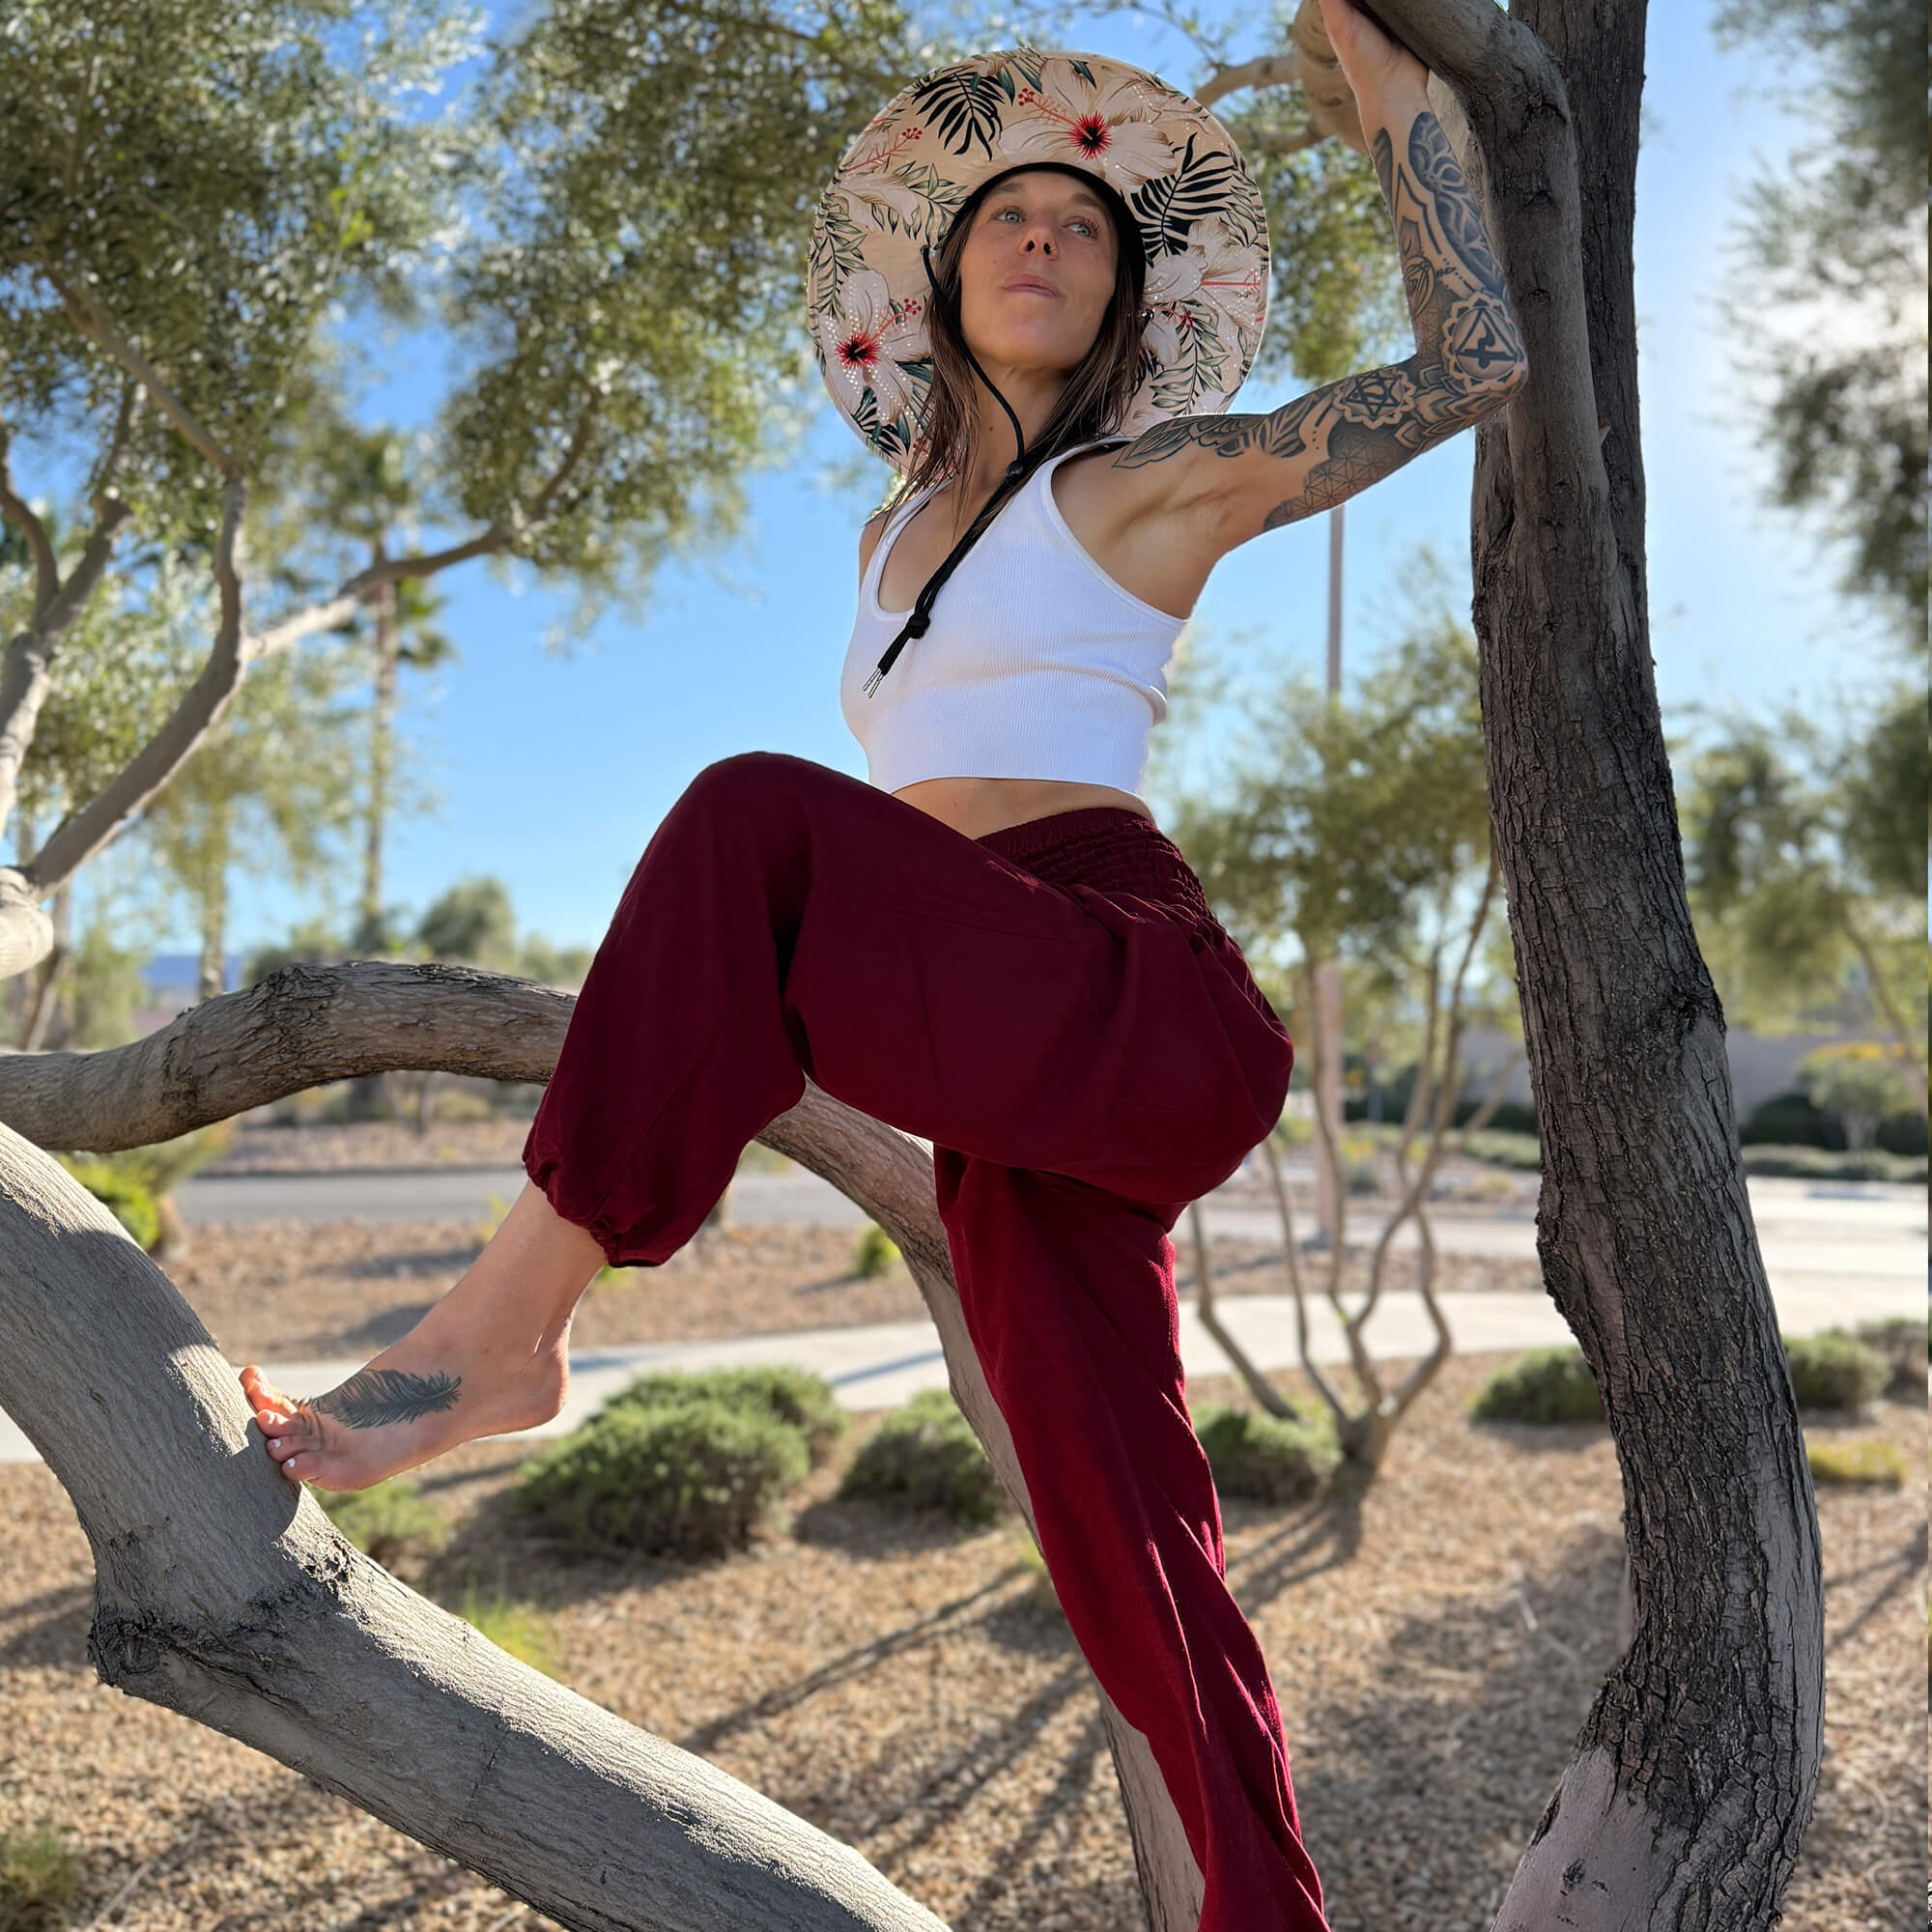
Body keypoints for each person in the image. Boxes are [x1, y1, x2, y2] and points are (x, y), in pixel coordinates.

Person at [241, 4, 1526, 1926]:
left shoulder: (1150, 481)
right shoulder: (888, 536)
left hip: (1122, 979)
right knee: (1126, 1531)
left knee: (750, 821)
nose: (1044, 239)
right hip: (991, 1020)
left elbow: (1476, 365)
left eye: (1084, 229)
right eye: (1009, 217)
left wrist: (1397, 95)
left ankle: (507, 1334)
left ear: (1122, 302)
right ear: (939, 280)